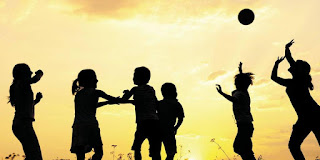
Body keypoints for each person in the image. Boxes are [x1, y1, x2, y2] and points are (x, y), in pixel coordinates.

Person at [271, 40, 320, 160]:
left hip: (312, 116)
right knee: (293, 145)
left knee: (293, 145)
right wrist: (286, 49)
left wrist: (277, 64)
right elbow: (289, 59)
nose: (292, 65)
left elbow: (274, 77)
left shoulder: (297, 81)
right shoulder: (296, 81)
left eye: (295, 65)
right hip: (308, 117)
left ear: (299, 70)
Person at [70, 69, 120, 160]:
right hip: (91, 125)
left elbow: (90, 106)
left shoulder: (78, 95)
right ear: (89, 81)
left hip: (78, 126)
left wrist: (106, 103)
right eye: (95, 79)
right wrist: (125, 100)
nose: (97, 81)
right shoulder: (97, 92)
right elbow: (113, 99)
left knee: (80, 155)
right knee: (99, 152)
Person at [216, 62, 256, 160]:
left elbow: (234, 100)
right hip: (246, 124)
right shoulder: (244, 92)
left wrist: (221, 93)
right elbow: (243, 80)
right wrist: (240, 70)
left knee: (239, 147)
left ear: (239, 84)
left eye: (236, 82)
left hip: (244, 125)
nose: (234, 83)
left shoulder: (239, 94)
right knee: (244, 148)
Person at [122, 66, 161, 160]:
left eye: (134, 76)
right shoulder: (151, 89)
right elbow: (156, 103)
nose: (133, 78)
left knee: (137, 147)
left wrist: (126, 93)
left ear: (139, 78)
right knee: (155, 148)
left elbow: (124, 99)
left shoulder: (135, 90)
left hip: (142, 122)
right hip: (154, 122)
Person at [9, 63, 44, 160]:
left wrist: (36, 101)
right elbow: (35, 79)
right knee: (35, 154)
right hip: (23, 124)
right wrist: (40, 74)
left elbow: (25, 105)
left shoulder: (18, 86)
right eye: (29, 72)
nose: (31, 73)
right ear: (23, 74)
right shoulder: (21, 84)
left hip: (21, 123)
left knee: (31, 154)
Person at [158, 83, 184, 160]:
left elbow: (180, 118)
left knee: (156, 153)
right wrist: (176, 127)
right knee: (171, 153)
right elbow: (181, 118)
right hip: (168, 131)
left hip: (159, 130)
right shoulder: (176, 104)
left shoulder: (159, 103)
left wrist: (175, 128)